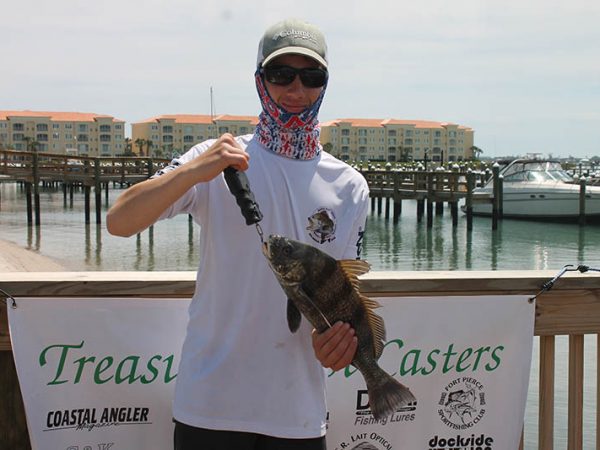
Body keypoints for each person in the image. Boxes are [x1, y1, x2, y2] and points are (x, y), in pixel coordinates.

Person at [107, 18, 370, 450]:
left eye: (311, 76)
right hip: (208, 406)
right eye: (281, 74)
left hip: (298, 415)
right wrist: (194, 169)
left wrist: (337, 345)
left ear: (326, 83)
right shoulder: (217, 160)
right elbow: (119, 221)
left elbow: (338, 301)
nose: (296, 89)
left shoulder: (350, 186)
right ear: (259, 82)